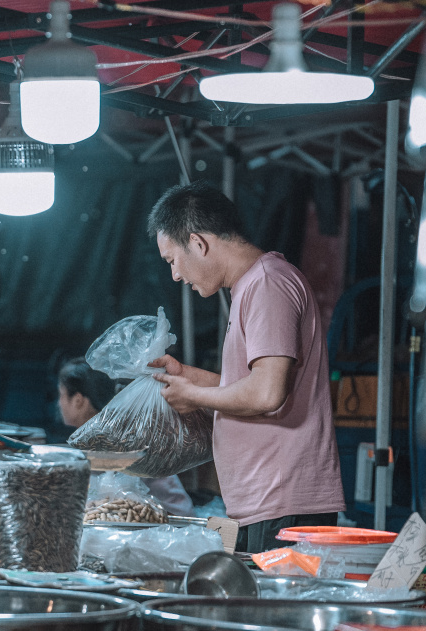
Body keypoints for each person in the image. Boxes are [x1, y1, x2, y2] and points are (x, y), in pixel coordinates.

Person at [145, 182, 344, 554]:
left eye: (172, 260)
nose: (175, 275)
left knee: (274, 612)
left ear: (199, 243)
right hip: (267, 501)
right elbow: (260, 384)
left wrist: (195, 395)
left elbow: (268, 394)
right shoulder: (253, 286)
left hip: (284, 501)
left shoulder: (268, 284)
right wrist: (191, 378)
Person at [58, 357, 194, 516]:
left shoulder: (119, 439)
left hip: (171, 526)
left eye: (61, 394)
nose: (59, 403)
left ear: (78, 400)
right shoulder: (96, 437)